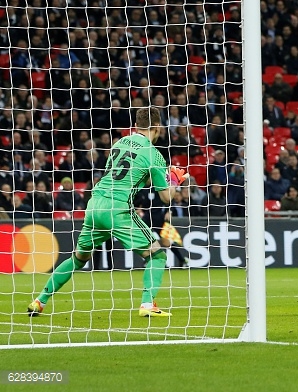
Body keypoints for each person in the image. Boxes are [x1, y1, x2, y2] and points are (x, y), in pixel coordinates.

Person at [28, 108, 189, 317]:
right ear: (157, 127)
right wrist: (174, 179)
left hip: (95, 205)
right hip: (118, 208)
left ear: (136, 125)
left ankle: (39, 301)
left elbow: (123, 175)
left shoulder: (119, 143)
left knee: (78, 258)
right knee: (156, 255)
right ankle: (148, 305)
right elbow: (166, 197)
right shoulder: (153, 154)